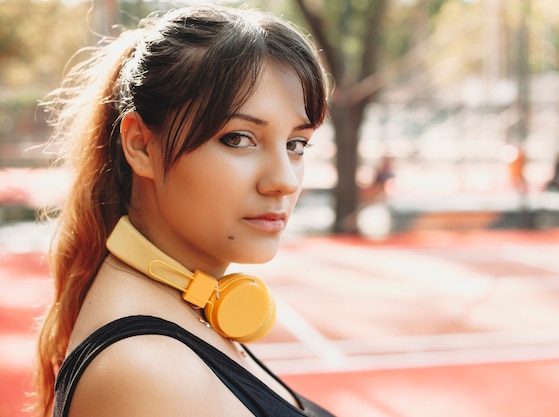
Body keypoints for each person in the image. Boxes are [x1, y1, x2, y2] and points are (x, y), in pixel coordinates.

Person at [33, 4, 334, 417]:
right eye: (238, 138)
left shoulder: (186, 306)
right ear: (140, 145)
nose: (284, 180)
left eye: (296, 144)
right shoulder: (148, 371)